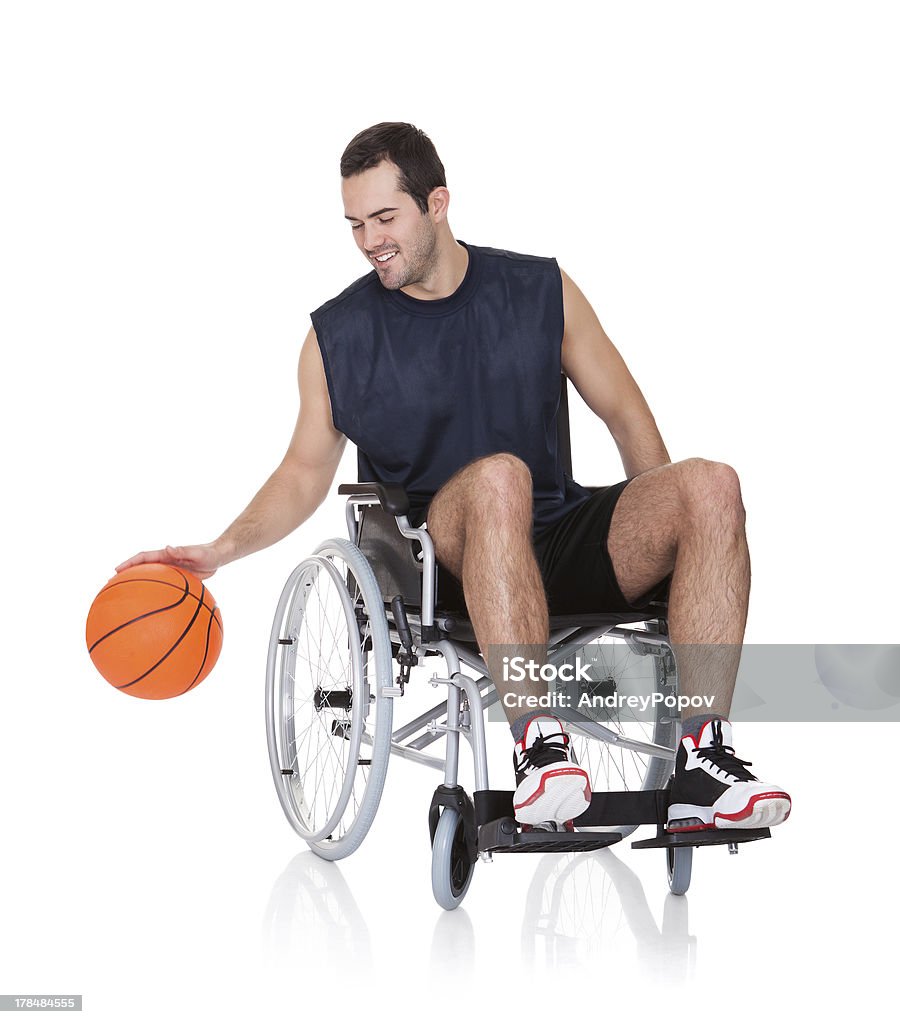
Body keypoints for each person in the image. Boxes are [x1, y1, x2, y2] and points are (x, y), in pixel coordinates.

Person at [117, 122, 791, 834]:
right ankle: (539, 748)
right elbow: (302, 472)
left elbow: (625, 414)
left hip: (555, 540)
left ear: (437, 203)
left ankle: (703, 760)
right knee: (501, 477)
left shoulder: (540, 290)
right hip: (439, 559)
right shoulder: (336, 338)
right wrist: (220, 551)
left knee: (711, 483)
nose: (370, 239)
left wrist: (672, 548)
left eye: (385, 218)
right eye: (355, 224)